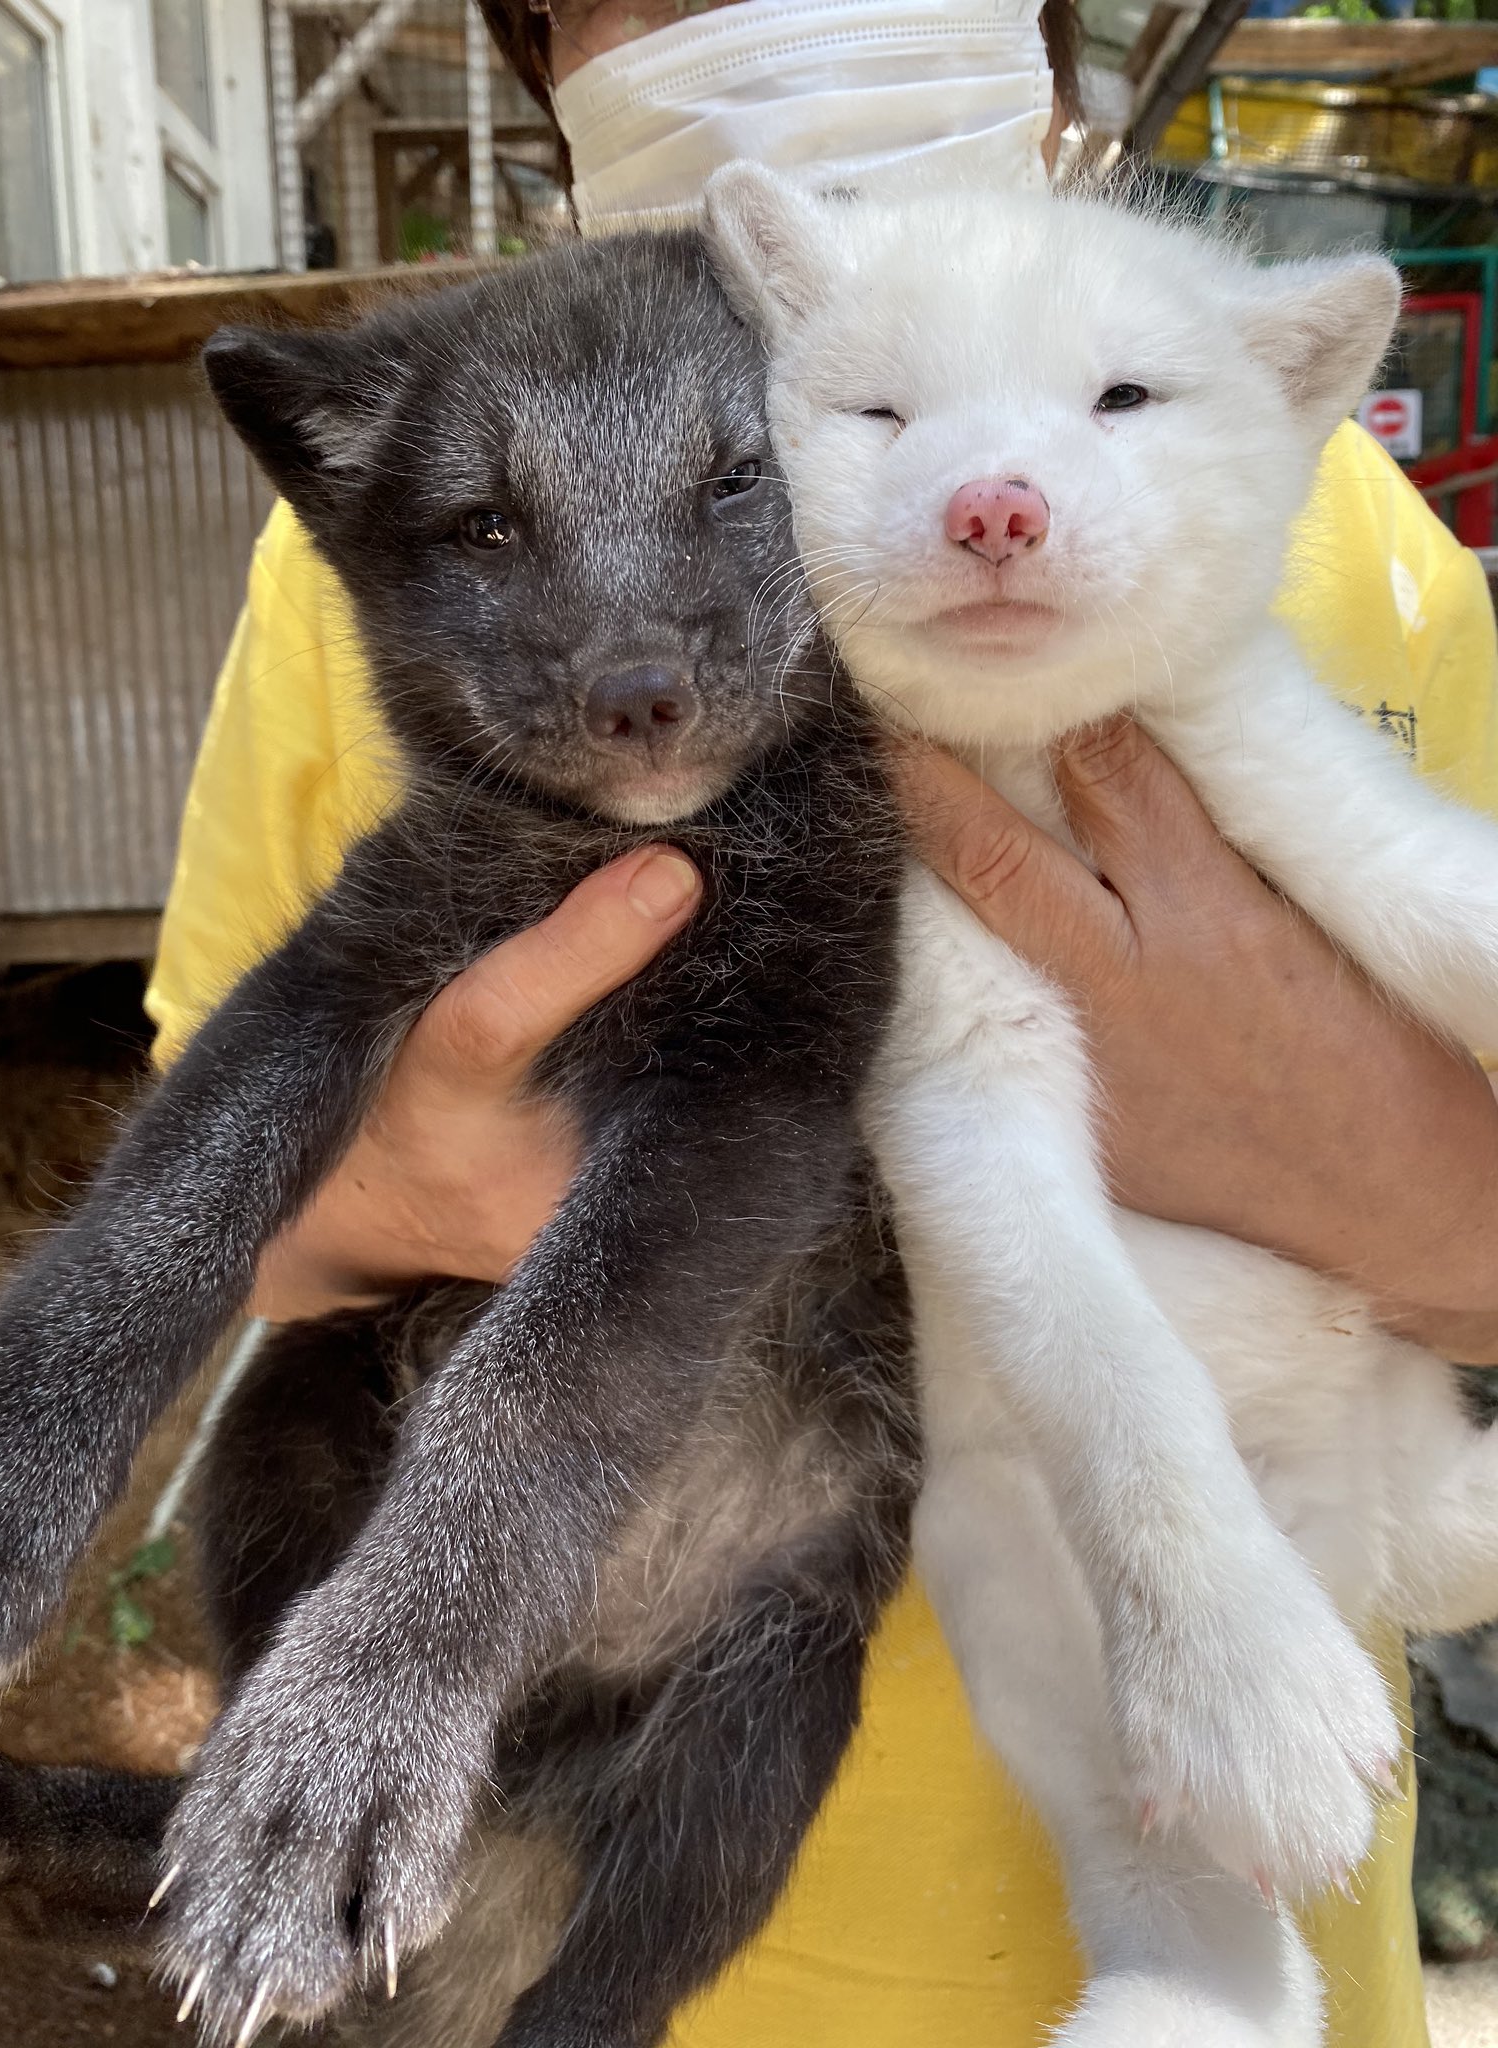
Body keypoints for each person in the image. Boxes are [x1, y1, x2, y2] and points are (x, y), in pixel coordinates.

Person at [146, 4, 1498, 2040]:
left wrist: (1353, 1161)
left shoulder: (1332, 518)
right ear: (536, 47)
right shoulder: (416, 520)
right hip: (649, 1890)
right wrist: (413, 1184)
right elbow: (216, 1200)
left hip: (1248, 1808)